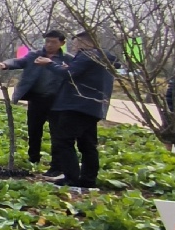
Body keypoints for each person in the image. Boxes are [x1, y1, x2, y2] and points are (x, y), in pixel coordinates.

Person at [39, 31, 117, 190]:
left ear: (85, 42)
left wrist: (49, 64)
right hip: (94, 107)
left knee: (63, 140)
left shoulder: (88, 55)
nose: (74, 46)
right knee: (87, 144)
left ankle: (71, 178)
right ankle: (88, 180)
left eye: (76, 43)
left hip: (76, 105)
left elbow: (69, 74)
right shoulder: (104, 58)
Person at [0, 30, 66, 171]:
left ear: (62, 43)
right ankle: (33, 159)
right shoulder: (35, 55)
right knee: (34, 130)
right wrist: (5, 64)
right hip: (37, 99)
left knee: (58, 134)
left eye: (53, 42)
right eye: (47, 41)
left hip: (57, 102)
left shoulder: (66, 59)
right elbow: (18, 61)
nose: (49, 44)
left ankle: (56, 165)